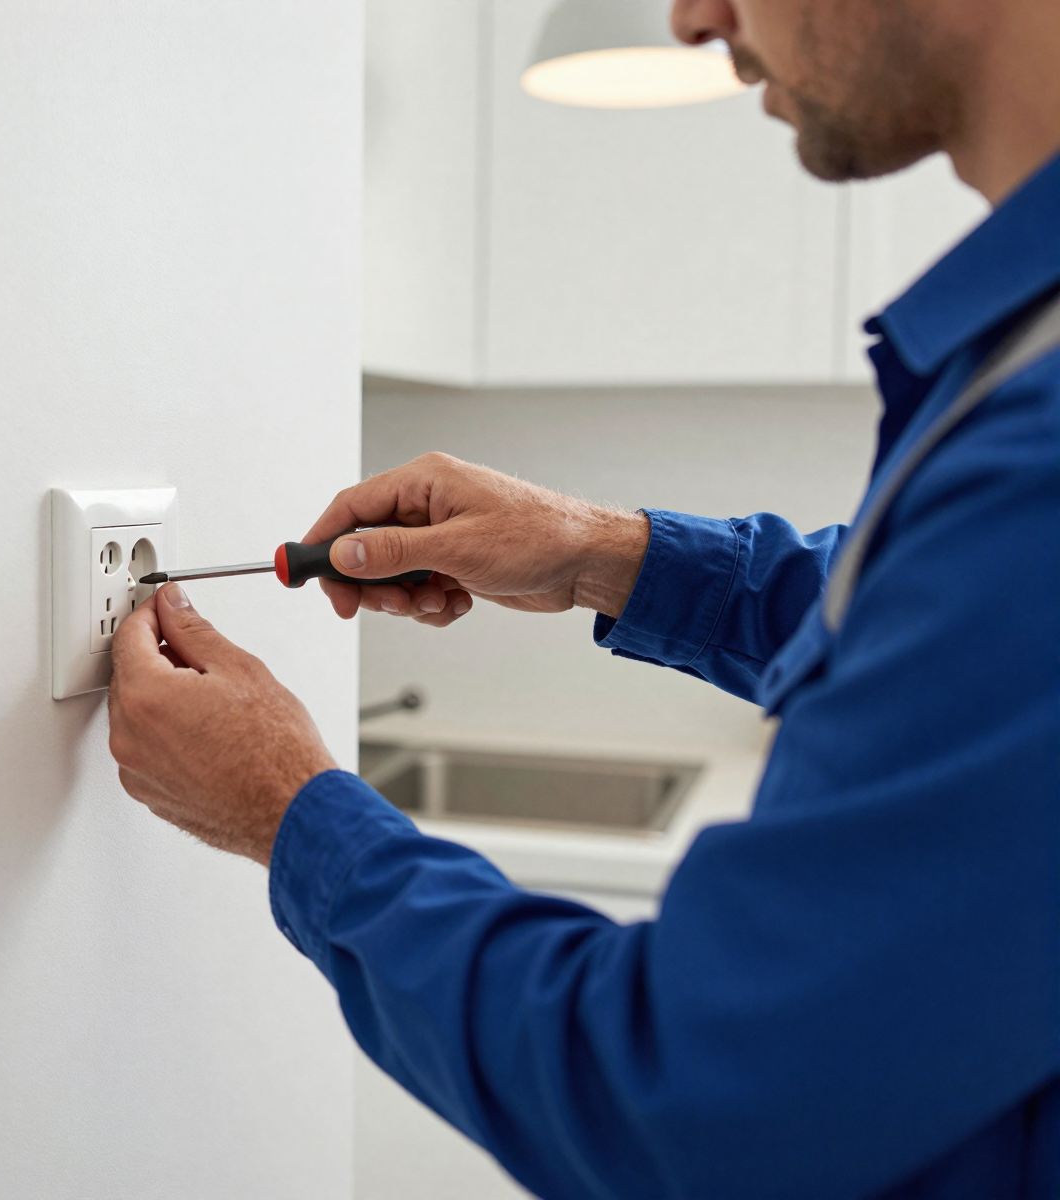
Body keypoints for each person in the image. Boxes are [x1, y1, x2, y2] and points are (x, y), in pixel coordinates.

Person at [106, 0, 1060, 1195]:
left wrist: (287, 812)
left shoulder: (1035, 449)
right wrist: (600, 554)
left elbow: (688, 1101)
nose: (692, 18)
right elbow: (928, 626)